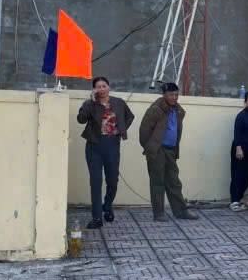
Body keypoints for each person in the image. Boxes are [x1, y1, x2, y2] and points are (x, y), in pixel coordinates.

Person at [76, 76, 134, 229]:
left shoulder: (119, 103)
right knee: (95, 183)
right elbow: (81, 119)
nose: (101, 89)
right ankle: (97, 218)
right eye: (98, 87)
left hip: (112, 145)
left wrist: (120, 130)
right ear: (94, 89)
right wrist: (91, 102)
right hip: (94, 146)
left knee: (113, 180)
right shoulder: (90, 104)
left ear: (109, 87)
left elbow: (130, 117)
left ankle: (107, 206)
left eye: (104, 86)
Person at [139, 82, 198, 222]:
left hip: (171, 151)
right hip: (157, 151)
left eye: (176, 94)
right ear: (164, 94)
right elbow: (144, 132)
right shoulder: (155, 109)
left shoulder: (178, 110)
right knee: (157, 182)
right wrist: (151, 148)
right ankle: (159, 213)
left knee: (174, 182)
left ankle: (181, 211)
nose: (174, 97)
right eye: (171, 94)